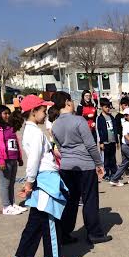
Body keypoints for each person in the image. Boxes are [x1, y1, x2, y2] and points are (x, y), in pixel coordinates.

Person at [4, 95, 72, 257]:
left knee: (35, 222)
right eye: (43, 110)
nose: (45, 113)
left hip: (43, 179)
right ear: (33, 112)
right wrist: (29, 183)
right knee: (50, 222)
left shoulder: (32, 130)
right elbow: (33, 160)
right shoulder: (34, 132)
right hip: (45, 181)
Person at [51, 91, 111, 245]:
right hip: (85, 165)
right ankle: (94, 233)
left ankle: (64, 233)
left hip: (66, 166)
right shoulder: (79, 121)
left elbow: (59, 146)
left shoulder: (55, 124)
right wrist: (99, 163)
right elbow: (90, 145)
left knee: (70, 201)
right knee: (89, 199)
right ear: (67, 102)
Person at [0, 104, 26, 215]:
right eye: (5, 113)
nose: (7, 115)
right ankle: (6, 206)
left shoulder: (9, 127)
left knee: (11, 183)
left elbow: (15, 142)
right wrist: (1, 160)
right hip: (3, 160)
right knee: (5, 183)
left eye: (8, 113)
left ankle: (12, 204)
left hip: (13, 159)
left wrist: (19, 157)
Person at [96, 98, 120, 180]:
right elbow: (99, 131)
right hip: (105, 142)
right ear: (102, 107)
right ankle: (106, 173)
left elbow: (115, 129)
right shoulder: (100, 118)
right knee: (106, 159)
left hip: (112, 140)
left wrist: (117, 141)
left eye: (109, 107)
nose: (108, 108)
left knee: (113, 158)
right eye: (106, 107)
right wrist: (101, 142)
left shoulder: (111, 117)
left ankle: (114, 173)